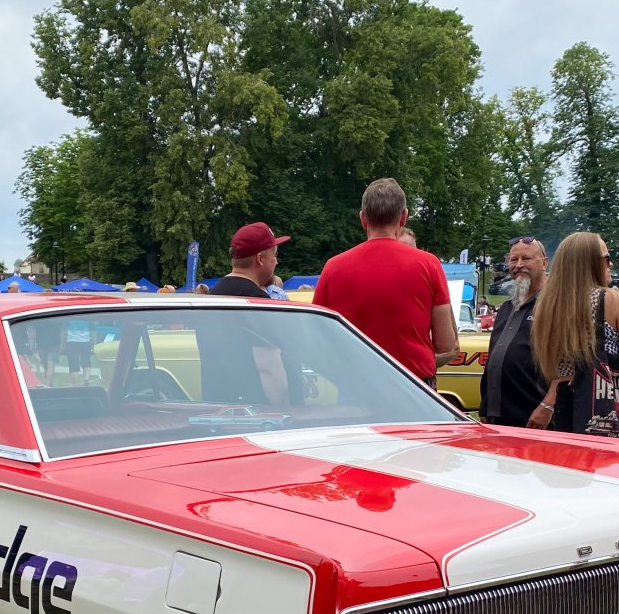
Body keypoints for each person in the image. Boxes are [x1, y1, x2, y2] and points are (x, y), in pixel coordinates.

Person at [314, 179, 457, 386]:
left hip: (354, 384)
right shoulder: (429, 264)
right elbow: (445, 343)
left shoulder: (333, 267)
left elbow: (319, 336)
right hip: (414, 384)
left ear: (363, 219)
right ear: (403, 217)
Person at [531, 231, 619, 434]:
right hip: (605, 401)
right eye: (606, 258)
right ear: (589, 263)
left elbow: (551, 370)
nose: (610, 264)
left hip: (566, 401)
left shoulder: (548, 305)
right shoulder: (609, 298)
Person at [478, 237, 554, 429]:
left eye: (526, 258)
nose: (518, 265)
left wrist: (548, 405)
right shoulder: (506, 308)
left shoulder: (555, 306)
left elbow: (571, 363)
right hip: (500, 417)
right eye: (513, 260)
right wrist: (487, 406)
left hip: (535, 417)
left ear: (544, 263)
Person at [211, 222, 288, 297]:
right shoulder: (259, 301)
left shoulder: (212, 294)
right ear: (260, 259)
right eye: (275, 255)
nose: (276, 262)